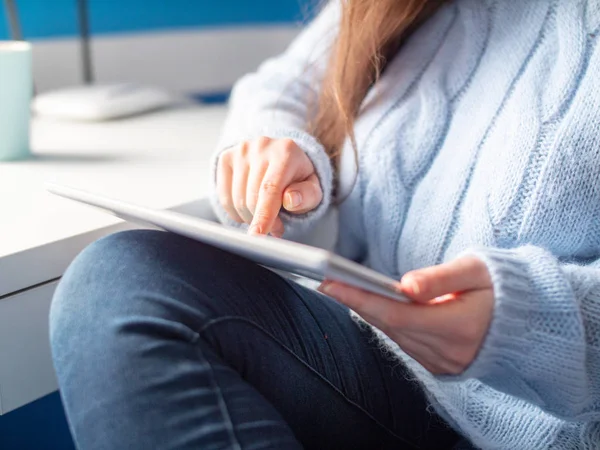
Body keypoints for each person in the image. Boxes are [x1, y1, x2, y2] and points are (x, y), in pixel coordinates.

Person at [50, 0, 600, 448]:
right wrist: (281, 154)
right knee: (120, 279)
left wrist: (536, 322)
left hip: (546, 421)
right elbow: (279, 88)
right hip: (383, 367)